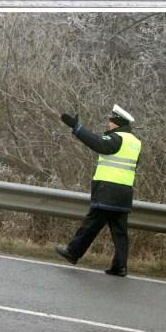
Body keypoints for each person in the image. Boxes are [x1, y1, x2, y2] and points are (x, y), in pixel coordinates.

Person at [55, 105, 141, 277]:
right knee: (119, 231)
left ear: (117, 123)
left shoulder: (118, 139)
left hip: (108, 190)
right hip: (124, 192)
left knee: (91, 224)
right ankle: (120, 266)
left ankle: (73, 252)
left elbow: (99, 144)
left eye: (110, 121)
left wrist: (77, 128)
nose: (108, 124)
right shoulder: (136, 143)